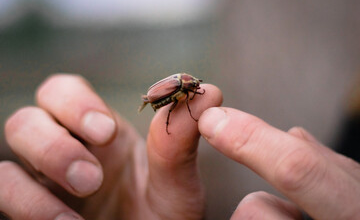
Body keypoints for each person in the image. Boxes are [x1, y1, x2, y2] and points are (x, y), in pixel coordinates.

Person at [1, 74, 359, 220]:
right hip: (160, 98)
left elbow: (188, 95)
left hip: (163, 96)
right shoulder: (181, 89)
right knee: (178, 111)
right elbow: (178, 98)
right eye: (194, 85)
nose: (197, 88)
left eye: (194, 86)